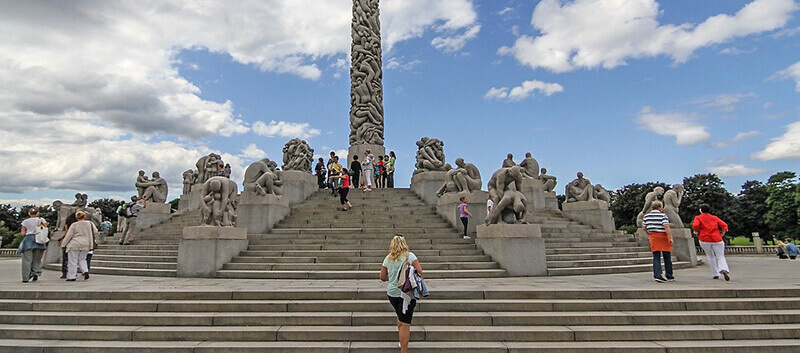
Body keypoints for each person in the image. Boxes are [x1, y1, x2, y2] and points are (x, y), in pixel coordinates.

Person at [380, 235, 424, 353]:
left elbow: (382, 277)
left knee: (400, 316)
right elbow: (420, 272)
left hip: (392, 293)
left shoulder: (388, 258)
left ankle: (401, 339)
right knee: (405, 323)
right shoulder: (410, 256)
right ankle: (403, 350)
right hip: (407, 294)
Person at [692, 204, 731, 281]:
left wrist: (696, 231)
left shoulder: (698, 217)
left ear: (701, 210)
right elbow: (724, 225)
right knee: (720, 256)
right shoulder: (714, 218)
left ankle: (715, 273)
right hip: (717, 238)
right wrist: (723, 232)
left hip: (704, 239)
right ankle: (724, 268)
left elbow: (695, 225)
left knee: (710, 256)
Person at [641, 201, 674, 283]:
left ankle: (657, 275)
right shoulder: (663, 215)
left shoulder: (646, 216)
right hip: (663, 236)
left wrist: (649, 234)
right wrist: (670, 237)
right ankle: (669, 275)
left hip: (653, 236)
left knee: (656, 257)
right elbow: (666, 226)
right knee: (667, 257)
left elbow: (644, 228)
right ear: (660, 207)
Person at [61, 210, 97, 281]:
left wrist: (63, 244)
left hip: (74, 244)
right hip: (86, 244)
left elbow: (69, 235)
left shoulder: (74, 225)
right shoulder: (90, 223)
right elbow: (95, 231)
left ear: (76, 217)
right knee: (82, 259)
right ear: (84, 216)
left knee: (72, 261)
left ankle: (72, 276)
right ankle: (85, 271)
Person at [18, 208, 49, 283]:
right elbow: (45, 228)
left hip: (28, 239)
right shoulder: (41, 219)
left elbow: (22, 233)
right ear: (37, 213)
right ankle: (35, 273)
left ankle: (26, 277)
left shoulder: (25, 221)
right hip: (39, 239)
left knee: (27, 260)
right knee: (37, 259)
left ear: (29, 213)